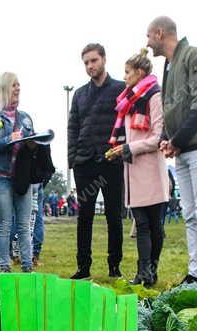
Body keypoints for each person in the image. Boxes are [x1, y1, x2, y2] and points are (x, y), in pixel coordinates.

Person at [146, 17, 197, 285]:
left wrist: (176, 139)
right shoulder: (169, 65)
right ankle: (196, 271)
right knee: (190, 213)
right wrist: (169, 139)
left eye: (148, 36)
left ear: (159, 33)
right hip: (183, 149)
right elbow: (173, 110)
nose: (147, 43)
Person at [104, 49, 166, 286]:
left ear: (140, 73)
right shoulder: (129, 101)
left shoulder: (154, 96)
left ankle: (151, 269)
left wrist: (130, 148)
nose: (125, 76)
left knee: (153, 225)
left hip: (150, 168)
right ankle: (143, 272)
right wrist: (121, 149)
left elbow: (158, 136)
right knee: (141, 223)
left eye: (128, 72)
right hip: (133, 168)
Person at [68, 43, 126, 280]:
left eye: (93, 60)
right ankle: (83, 267)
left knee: (114, 215)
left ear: (104, 59)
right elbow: (72, 127)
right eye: (86, 63)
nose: (90, 66)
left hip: (111, 162)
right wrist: (73, 160)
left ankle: (115, 266)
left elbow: (127, 124)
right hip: (85, 164)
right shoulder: (80, 94)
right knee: (85, 216)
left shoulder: (121, 90)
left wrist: (121, 151)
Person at [0, 72, 37, 273]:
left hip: (22, 177)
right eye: (13, 85)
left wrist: (34, 143)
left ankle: (27, 267)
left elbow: (32, 146)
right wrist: (9, 140)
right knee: (5, 224)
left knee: (24, 225)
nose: (17, 88)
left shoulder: (25, 118)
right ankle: (4, 267)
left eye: (19, 85)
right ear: (3, 88)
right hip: (0, 177)